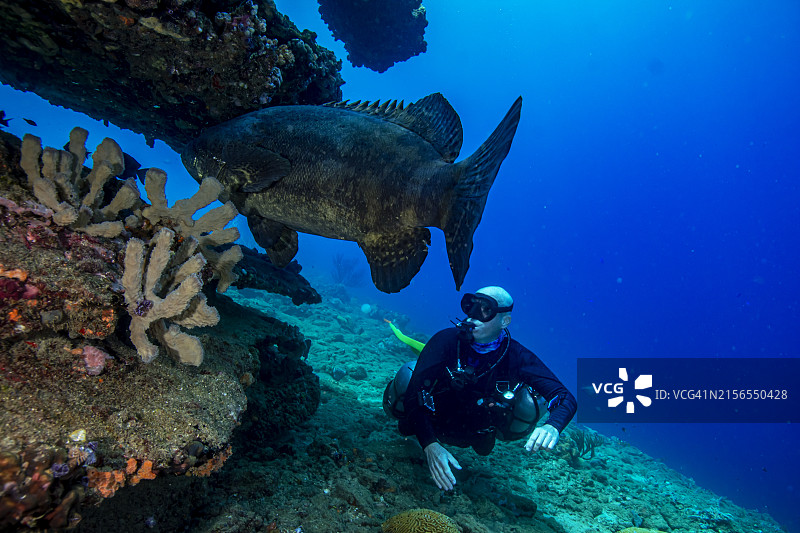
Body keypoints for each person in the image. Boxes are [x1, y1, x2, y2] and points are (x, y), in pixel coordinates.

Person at [389, 286, 577, 491]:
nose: (473, 317)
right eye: (471, 306)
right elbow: (416, 390)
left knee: (531, 402)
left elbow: (564, 397)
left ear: (504, 321)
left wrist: (552, 425)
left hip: (476, 431)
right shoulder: (446, 340)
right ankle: (420, 431)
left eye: (485, 310)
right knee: (409, 377)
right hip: (432, 418)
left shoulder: (516, 356)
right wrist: (429, 444)